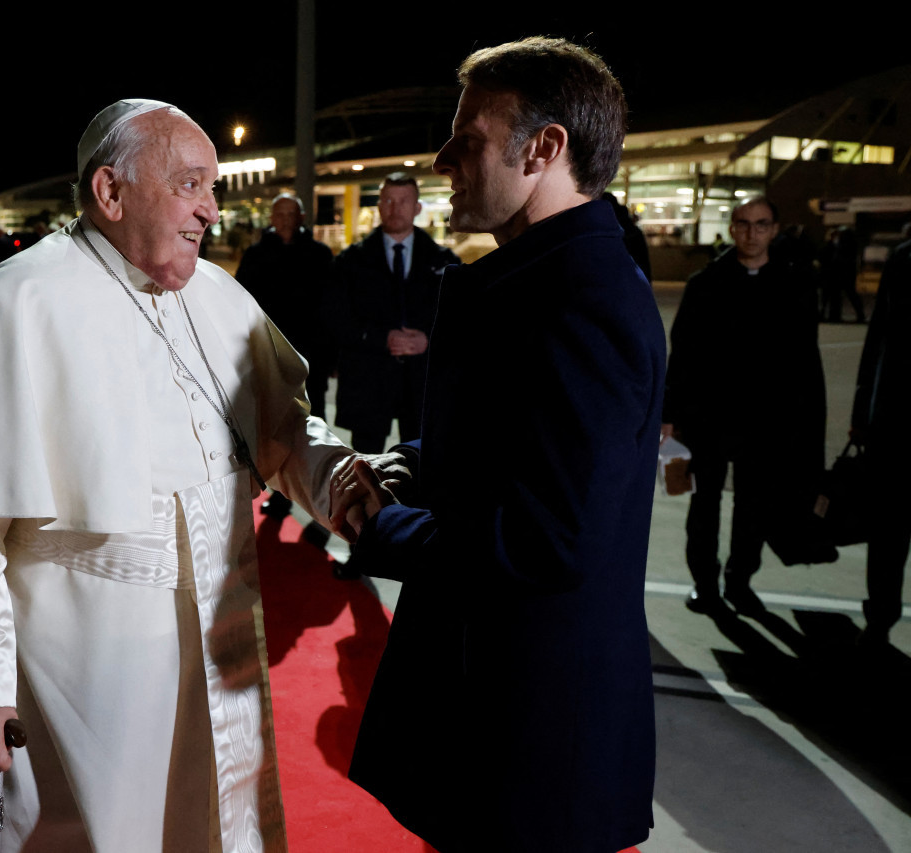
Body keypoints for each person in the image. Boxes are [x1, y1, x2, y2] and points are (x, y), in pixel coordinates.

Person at [0, 99, 375, 853]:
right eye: (190, 185)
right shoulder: (11, 306)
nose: (212, 209)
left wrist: (340, 478)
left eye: (212, 188)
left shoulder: (219, 297)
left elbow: (285, 430)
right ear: (110, 193)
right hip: (76, 682)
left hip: (219, 656)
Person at [334, 38, 662, 853]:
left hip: (534, 734)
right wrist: (407, 463)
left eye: (468, 138)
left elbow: (550, 537)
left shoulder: (584, 299)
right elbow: (501, 442)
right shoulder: (539, 278)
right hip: (500, 710)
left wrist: (378, 525)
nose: (445, 157)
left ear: (545, 148)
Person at [663, 196, 826, 615]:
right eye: (744, 224)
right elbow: (681, 353)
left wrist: (804, 420)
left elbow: (805, 360)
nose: (752, 232)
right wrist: (670, 414)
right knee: (704, 504)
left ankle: (739, 579)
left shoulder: (794, 285)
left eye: (761, 224)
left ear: (774, 230)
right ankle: (705, 582)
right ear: (732, 228)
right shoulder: (706, 283)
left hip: (766, 423)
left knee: (753, 506)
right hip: (708, 419)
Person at [333, 172, 458, 454]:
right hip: (369, 380)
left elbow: (459, 321)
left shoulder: (444, 262)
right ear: (378, 206)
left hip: (421, 382)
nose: (394, 208)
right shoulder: (350, 261)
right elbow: (336, 319)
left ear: (417, 208)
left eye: (403, 201)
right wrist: (380, 338)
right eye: (388, 200)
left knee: (421, 464)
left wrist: (427, 340)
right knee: (366, 464)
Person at [236, 192, 335, 517]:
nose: (286, 219)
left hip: (310, 355)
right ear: (272, 218)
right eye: (280, 213)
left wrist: (328, 353)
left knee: (309, 422)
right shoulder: (255, 255)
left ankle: (315, 488)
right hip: (268, 356)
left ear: (302, 218)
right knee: (270, 424)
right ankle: (277, 489)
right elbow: (240, 305)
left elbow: (329, 307)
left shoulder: (319, 255)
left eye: (292, 213)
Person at [852, 223, 911, 647]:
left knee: (889, 532)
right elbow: (880, 341)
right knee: (889, 530)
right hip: (897, 422)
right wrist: (862, 411)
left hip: (895, 419)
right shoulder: (904, 258)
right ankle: (881, 617)